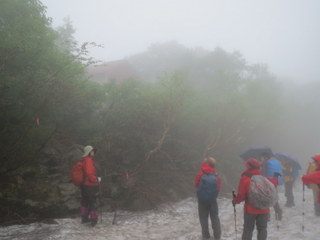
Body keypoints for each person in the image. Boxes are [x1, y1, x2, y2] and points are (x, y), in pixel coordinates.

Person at [232, 158, 270, 240]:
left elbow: (241, 195)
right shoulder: (263, 178)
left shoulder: (246, 178)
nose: (245, 166)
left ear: (249, 166)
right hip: (264, 208)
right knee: (262, 229)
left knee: (248, 229)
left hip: (250, 209)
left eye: (246, 165)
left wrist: (235, 200)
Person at [194, 157, 221, 240]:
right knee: (215, 217)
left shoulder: (200, 174)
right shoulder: (216, 175)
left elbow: (196, 184)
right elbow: (219, 187)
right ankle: (217, 235)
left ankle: (206, 236)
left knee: (203, 218)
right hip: (213, 200)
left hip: (202, 199)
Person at [80, 145, 100, 226]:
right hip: (90, 185)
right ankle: (94, 220)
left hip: (84, 185)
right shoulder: (88, 160)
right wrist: (96, 180)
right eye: (92, 151)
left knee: (85, 202)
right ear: (88, 152)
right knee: (92, 202)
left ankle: (84, 218)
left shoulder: (84, 160)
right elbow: (89, 173)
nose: (93, 152)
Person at [259, 152, 283, 220]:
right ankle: (278, 212)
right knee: (274, 199)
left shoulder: (265, 164)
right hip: (274, 183)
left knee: (265, 199)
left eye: (262, 157)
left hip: (266, 183)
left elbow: (262, 174)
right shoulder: (275, 163)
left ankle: (267, 216)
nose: (261, 159)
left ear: (265, 157)